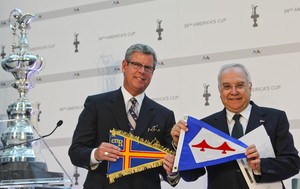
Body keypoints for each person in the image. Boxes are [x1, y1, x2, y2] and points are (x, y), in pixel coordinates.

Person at [171, 63, 300, 189]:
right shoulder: (207, 126)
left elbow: (293, 164)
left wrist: (261, 166)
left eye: (239, 85)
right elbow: (191, 175)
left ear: (249, 87)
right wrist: (180, 146)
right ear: (220, 91)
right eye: (227, 87)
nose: (233, 92)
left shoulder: (275, 118)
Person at [68, 43, 179, 189]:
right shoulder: (96, 105)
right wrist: (96, 154)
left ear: (153, 72)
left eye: (148, 68)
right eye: (137, 65)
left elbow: (169, 166)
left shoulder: (164, 115)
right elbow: (76, 152)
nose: (142, 71)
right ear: (124, 66)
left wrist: (172, 171)